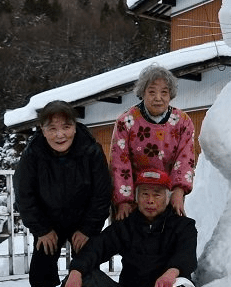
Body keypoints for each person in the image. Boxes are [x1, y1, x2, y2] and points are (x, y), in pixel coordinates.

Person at [14, 100, 112, 287]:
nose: (60, 135)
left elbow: (102, 193)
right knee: (41, 272)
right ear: (42, 130)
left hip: (84, 220)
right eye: (52, 129)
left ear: (75, 127)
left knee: (86, 270)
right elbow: (24, 194)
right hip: (47, 221)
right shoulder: (32, 153)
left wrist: (87, 229)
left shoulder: (91, 150)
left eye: (66, 127)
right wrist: (42, 229)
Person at [64, 168, 198, 287]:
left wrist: (171, 274)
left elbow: (186, 256)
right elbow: (96, 248)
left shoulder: (184, 226)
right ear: (136, 197)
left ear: (168, 198)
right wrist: (76, 271)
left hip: (166, 284)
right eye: (145, 194)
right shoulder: (125, 226)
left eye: (157, 194)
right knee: (80, 277)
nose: (150, 200)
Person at [111, 64, 196, 219]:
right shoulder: (126, 121)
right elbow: (119, 163)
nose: (158, 97)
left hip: (167, 196)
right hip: (134, 198)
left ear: (170, 95)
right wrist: (124, 201)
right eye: (152, 92)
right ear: (142, 93)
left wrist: (178, 191)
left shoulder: (183, 122)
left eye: (164, 92)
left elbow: (185, 159)